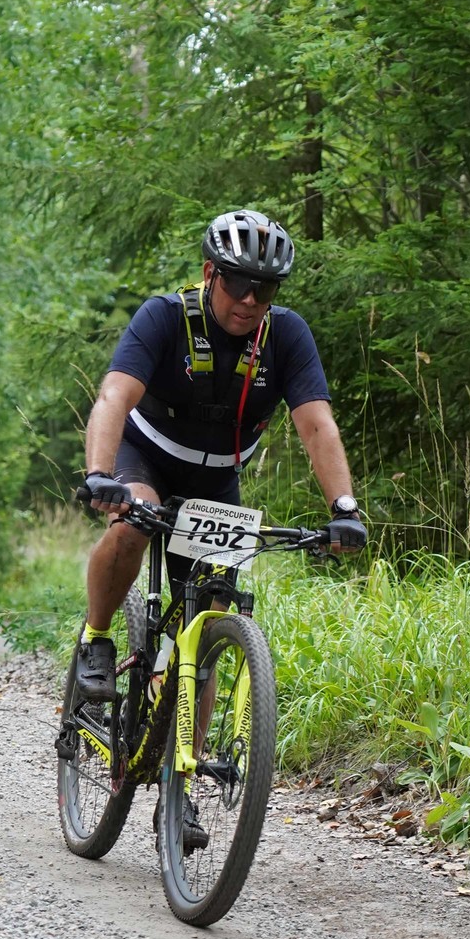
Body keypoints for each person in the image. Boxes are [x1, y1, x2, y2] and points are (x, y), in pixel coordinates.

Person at [74, 208, 366, 705]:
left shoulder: (287, 335)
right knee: (130, 527)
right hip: (144, 457)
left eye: (264, 288)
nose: (250, 299)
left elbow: (317, 425)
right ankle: (96, 638)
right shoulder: (164, 316)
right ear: (211, 272)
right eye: (238, 283)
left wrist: (344, 509)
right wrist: (101, 474)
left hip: (215, 482)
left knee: (205, 631)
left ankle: (186, 750)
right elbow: (113, 398)